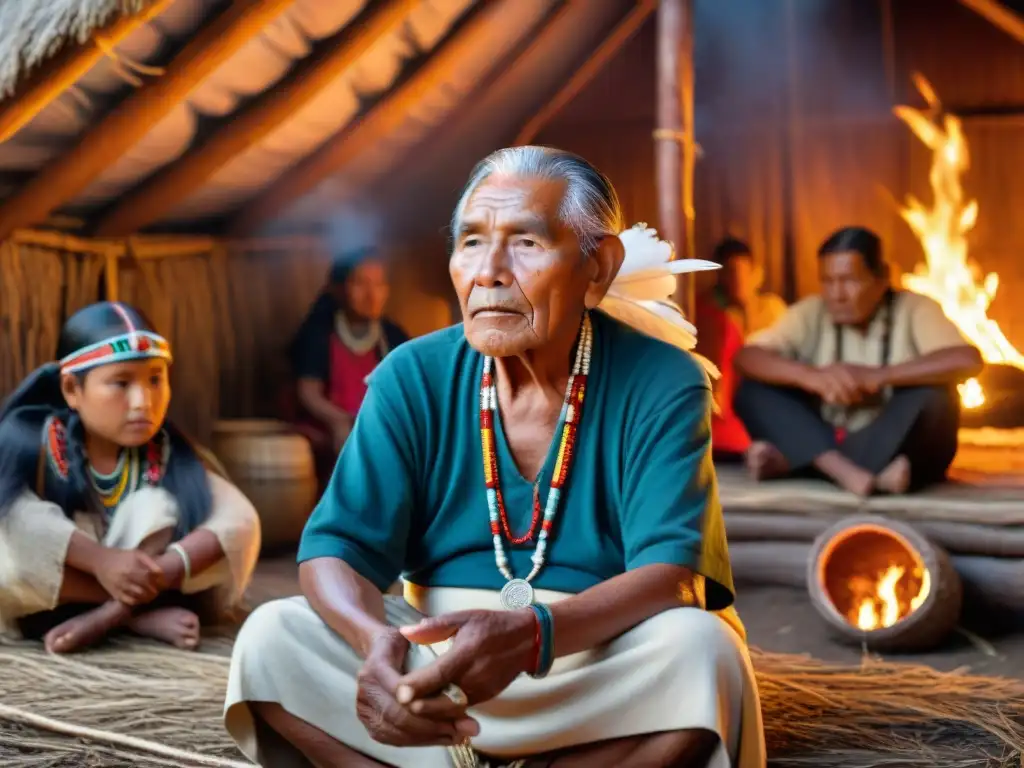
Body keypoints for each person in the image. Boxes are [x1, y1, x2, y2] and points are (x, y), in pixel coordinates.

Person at [224, 147, 765, 768]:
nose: (489, 272)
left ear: (598, 267)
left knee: (704, 653)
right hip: (433, 666)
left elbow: (675, 576)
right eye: (472, 242)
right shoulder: (410, 375)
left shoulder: (662, 379)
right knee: (271, 639)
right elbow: (334, 548)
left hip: (590, 659)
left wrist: (535, 632)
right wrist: (376, 646)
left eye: (526, 243)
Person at [0, 302, 261, 653]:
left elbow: (238, 520)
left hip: (148, 579)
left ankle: (116, 614)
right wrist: (101, 561)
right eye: (121, 383)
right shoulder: (29, 439)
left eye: (155, 379)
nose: (143, 402)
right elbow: (17, 522)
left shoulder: (169, 452)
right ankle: (140, 614)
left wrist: (130, 593)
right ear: (71, 390)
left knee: (160, 508)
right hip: (53, 590)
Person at [734, 226, 983, 496]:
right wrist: (809, 376)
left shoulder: (914, 309)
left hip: (895, 440)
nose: (837, 294)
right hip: (827, 435)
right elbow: (746, 357)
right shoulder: (812, 312)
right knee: (752, 391)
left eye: (850, 280)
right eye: (827, 281)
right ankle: (848, 471)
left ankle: (802, 463)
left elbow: (967, 359)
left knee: (937, 397)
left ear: (882, 278)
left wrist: (879, 376)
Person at [288, 249, 409, 483]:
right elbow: (308, 392)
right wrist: (339, 421)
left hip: (377, 422)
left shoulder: (393, 336)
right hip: (329, 426)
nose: (371, 294)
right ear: (339, 289)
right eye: (360, 284)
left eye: (378, 285)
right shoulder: (318, 333)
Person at [711, 238, 786, 337]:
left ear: (755, 271)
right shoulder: (719, 317)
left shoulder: (773, 308)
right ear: (720, 277)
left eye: (742, 271)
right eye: (730, 272)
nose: (737, 279)